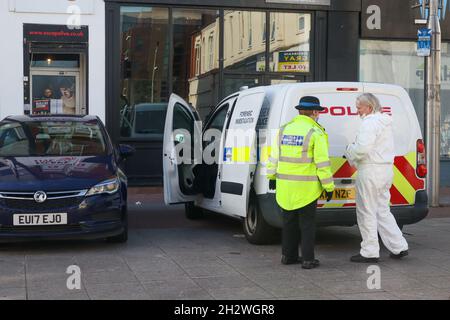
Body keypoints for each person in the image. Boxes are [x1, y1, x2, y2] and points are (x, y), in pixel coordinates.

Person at [267, 96, 335, 269]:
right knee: (307, 225)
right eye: (318, 111)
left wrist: (271, 177)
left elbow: (274, 157)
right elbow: (322, 164)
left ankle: (288, 256)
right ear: (313, 112)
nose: (319, 114)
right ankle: (308, 259)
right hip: (306, 188)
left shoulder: (284, 130)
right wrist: (328, 187)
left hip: (285, 187)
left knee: (289, 223)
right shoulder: (315, 132)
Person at [345, 93, 409, 263]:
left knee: (366, 211)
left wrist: (349, 150)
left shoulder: (370, 123)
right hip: (386, 170)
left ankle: (369, 251)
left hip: (371, 170)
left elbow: (362, 149)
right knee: (382, 210)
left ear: (369, 107)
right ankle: (399, 246)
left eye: (359, 108)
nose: (357, 111)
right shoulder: (385, 122)